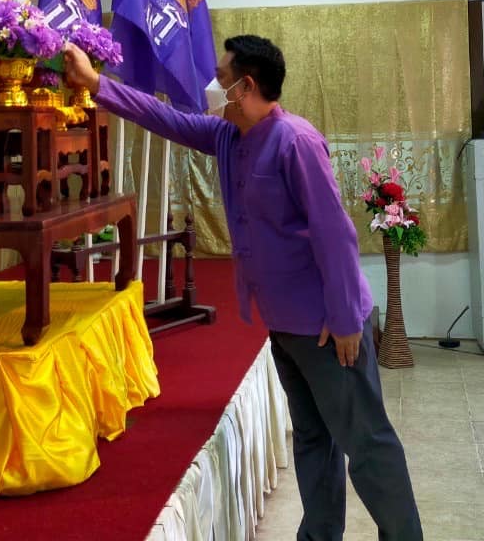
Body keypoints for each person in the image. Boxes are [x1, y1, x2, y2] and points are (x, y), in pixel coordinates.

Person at [62, 34, 423, 541]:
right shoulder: (229, 137)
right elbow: (165, 118)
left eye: (222, 78)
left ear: (246, 86)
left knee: (366, 445)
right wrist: (96, 84)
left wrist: (345, 320)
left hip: (328, 327)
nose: (213, 88)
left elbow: (335, 234)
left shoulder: (295, 141)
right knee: (313, 441)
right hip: (285, 326)